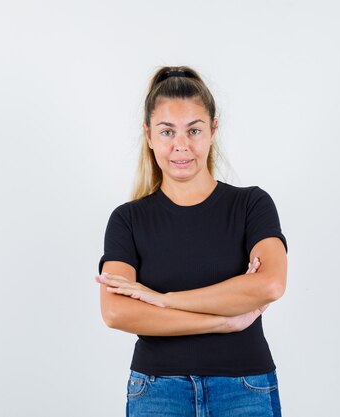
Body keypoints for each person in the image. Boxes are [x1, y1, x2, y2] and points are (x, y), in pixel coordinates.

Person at [94, 66, 288, 416]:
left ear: (213, 130)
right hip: (158, 390)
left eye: (193, 130)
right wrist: (224, 320)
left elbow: (270, 284)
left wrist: (162, 301)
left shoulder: (251, 205)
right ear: (149, 135)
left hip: (244, 388)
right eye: (167, 131)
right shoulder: (127, 219)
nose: (180, 145)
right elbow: (117, 310)